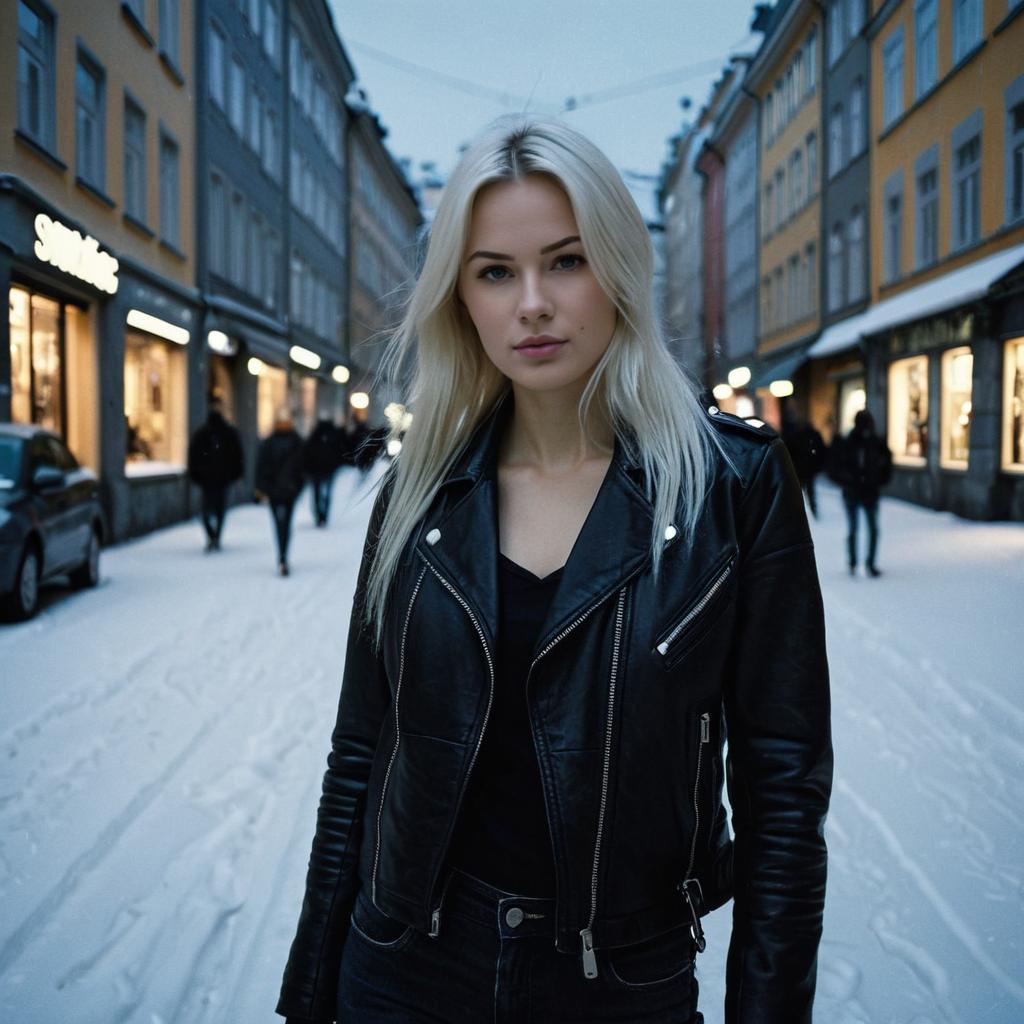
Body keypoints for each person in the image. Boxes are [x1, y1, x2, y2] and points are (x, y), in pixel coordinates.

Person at [277, 115, 832, 1024]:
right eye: (496, 271)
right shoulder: (418, 495)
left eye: (565, 261)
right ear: (462, 298)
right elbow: (361, 756)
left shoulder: (732, 486)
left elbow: (784, 790)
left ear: (618, 268)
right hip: (404, 971)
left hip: (621, 982)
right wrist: (309, 997)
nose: (531, 302)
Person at [828, 408, 893, 577]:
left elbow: (886, 463)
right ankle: (854, 562)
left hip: (868, 491)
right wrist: (849, 481)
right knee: (856, 528)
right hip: (854, 491)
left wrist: (878, 479)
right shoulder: (850, 441)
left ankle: (866, 563)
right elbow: (835, 466)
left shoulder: (874, 442)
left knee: (868, 529)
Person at [187, 398, 244, 551]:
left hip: (214, 478)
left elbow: (236, 455)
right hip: (216, 478)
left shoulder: (209, 433)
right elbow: (236, 455)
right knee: (215, 510)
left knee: (212, 509)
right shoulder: (219, 433)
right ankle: (214, 536)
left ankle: (214, 536)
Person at [255, 408, 304, 576]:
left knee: (279, 524)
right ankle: (283, 556)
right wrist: (298, 486)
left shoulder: (269, 442)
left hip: (276, 491)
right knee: (285, 524)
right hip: (288, 490)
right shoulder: (296, 441)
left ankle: (282, 556)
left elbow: (261, 467)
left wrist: (262, 487)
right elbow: (302, 468)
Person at [781, 405, 827, 519]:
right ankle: (806, 511)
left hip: (802, 468)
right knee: (804, 492)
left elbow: (820, 451)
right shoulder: (804, 435)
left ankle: (802, 512)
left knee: (800, 492)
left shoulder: (797, 435)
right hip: (804, 468)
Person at [303, 413, 342, 527]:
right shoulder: (333, 436)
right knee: (326, 494)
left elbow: (307, 452)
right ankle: (323, 516)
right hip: (327, 470)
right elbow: (339, 452)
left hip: (317, 470)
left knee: (318, 493)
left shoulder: (315, 436)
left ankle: (320, 516)